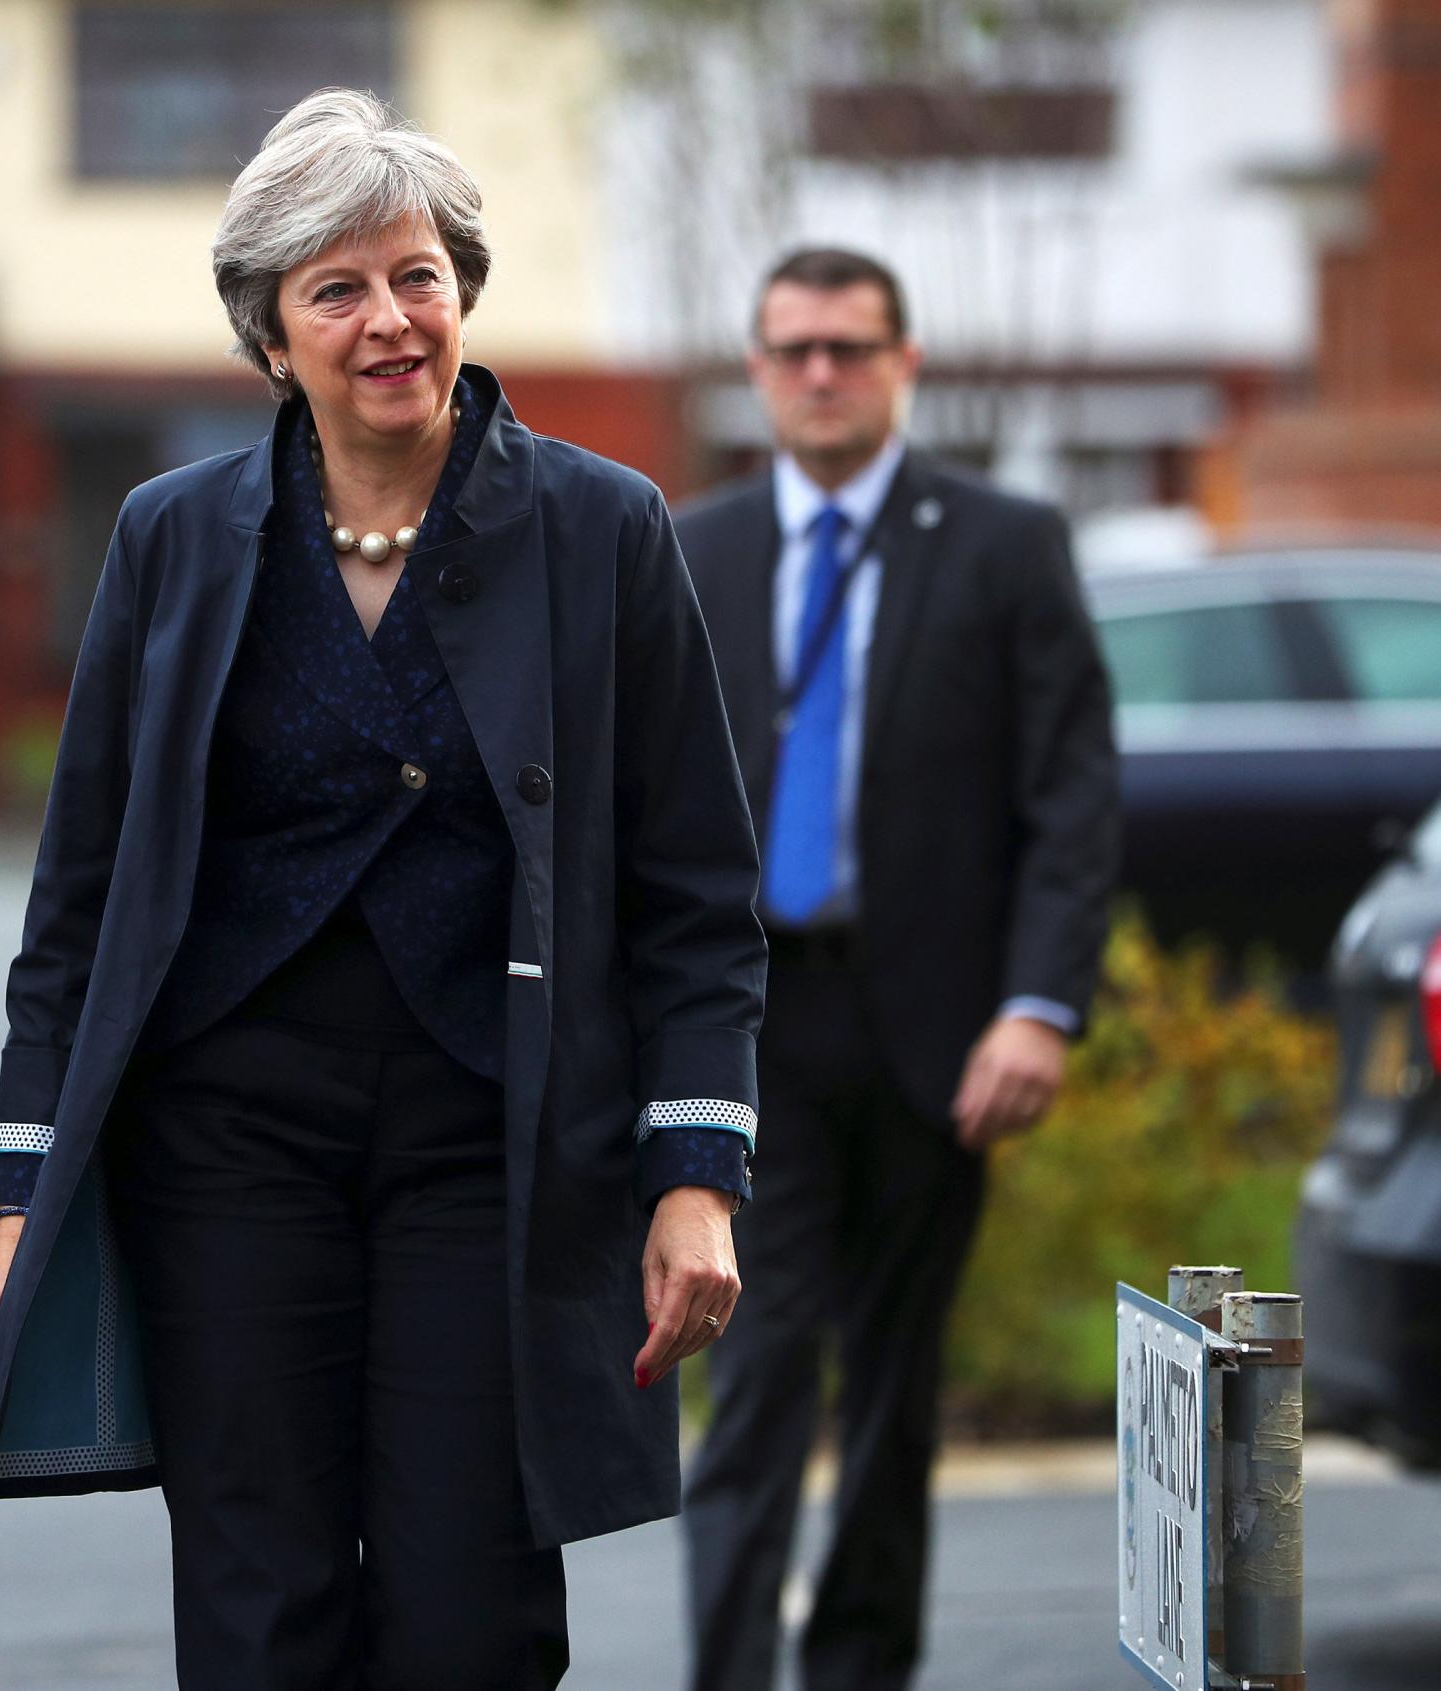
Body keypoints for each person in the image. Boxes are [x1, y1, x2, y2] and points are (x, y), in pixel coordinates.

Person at [0, 89, 766, 1688]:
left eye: (418, 275)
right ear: (270, 339)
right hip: (230, 1135)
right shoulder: (174, 537)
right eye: (335, 289)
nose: (388, 319)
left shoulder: (604, 529)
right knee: (261, 1601)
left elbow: (695, 890)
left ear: (464, 294)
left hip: (497, 1141)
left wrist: (697, 1173)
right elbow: (85, 894)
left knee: (469, 1610)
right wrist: (15, 1191)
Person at [676, 247, 1119, 1691]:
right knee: (753, 1373)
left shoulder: (1005, 542)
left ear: (903, 362)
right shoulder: (700, 547)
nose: (821, 373)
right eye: (794, 347)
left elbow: (1072, 796)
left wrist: (1041, 1004)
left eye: (851, 348)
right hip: (754, 1029)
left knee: (891, 1391)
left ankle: (858, 1670)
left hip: (941, 1034)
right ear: (757, 368)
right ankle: (731, 1669)